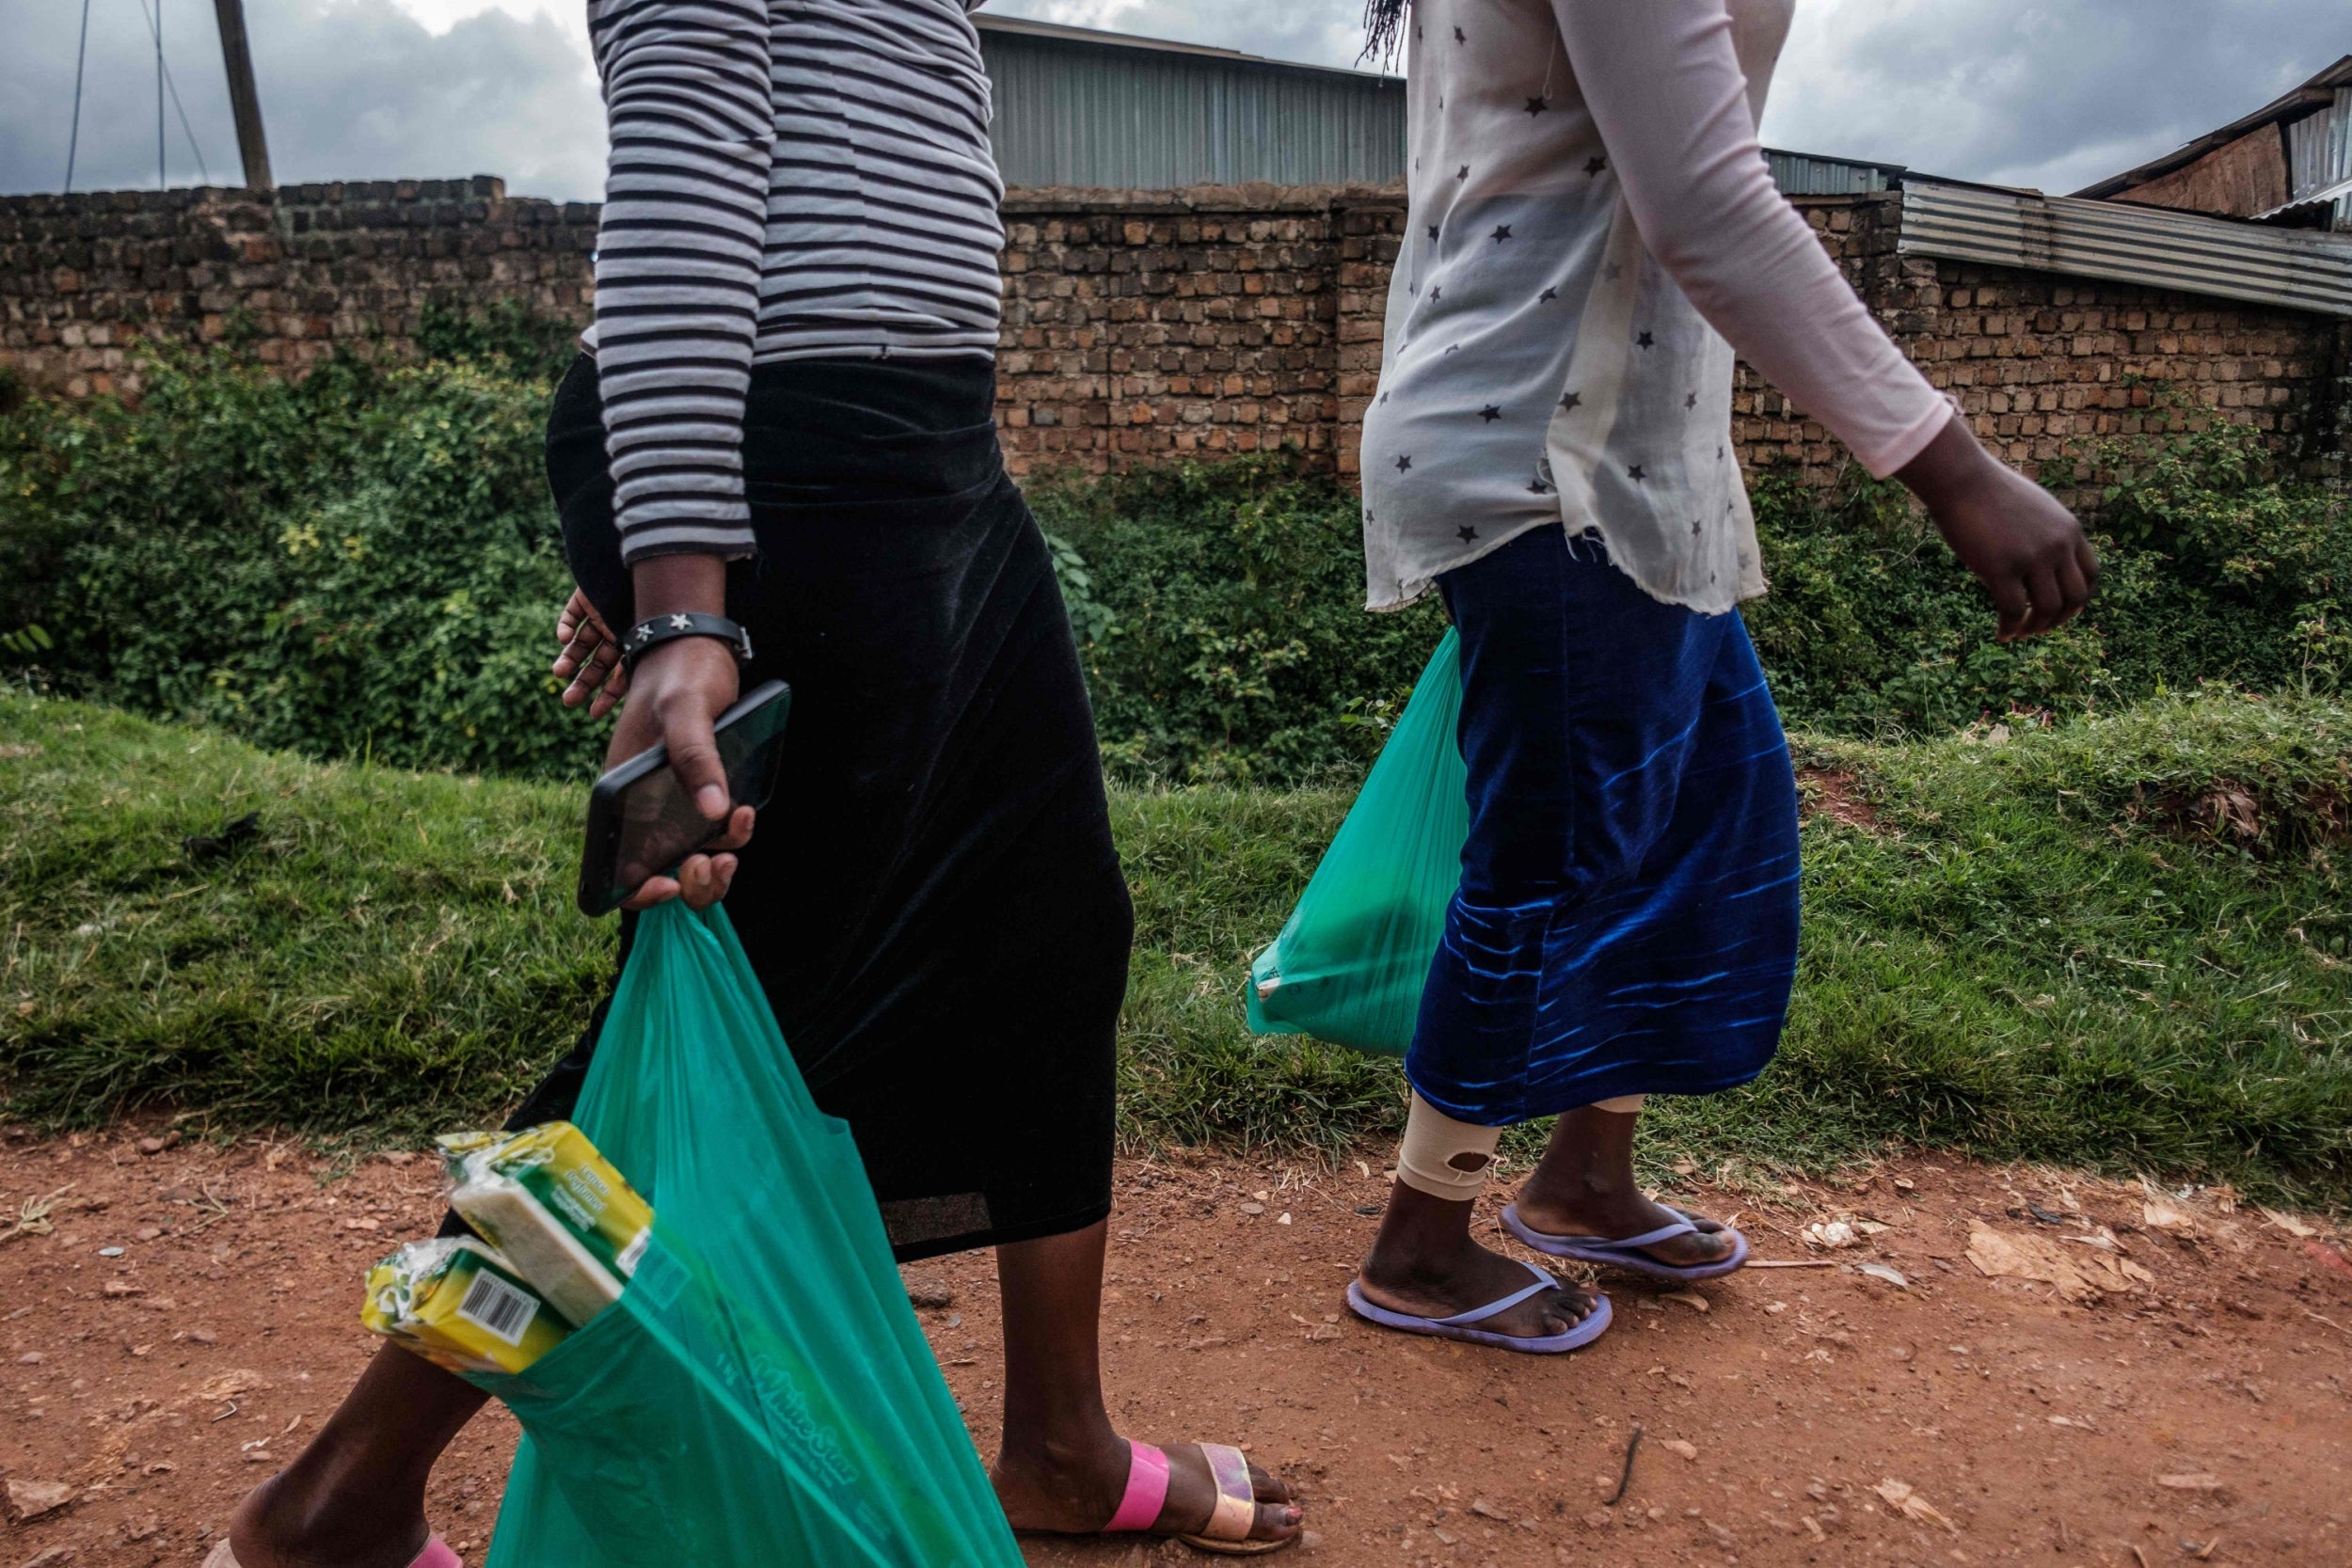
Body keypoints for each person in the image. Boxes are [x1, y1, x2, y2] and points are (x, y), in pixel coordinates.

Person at [214, 1, 1301, 1560]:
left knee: (1050, 923)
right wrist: (682, 594)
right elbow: (685, 147)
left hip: (934, 460)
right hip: (801, 465)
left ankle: (1060, 1442)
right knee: (733, 1011)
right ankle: (338, 1498)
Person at [1343, 0, 2098, 1351]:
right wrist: (1952, 462)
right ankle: (1422, 1239)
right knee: (1552, 858)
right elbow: (1702, 201)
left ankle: (1583, 1177)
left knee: (1703, 825)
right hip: (1541, 457)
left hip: (1639, 458)